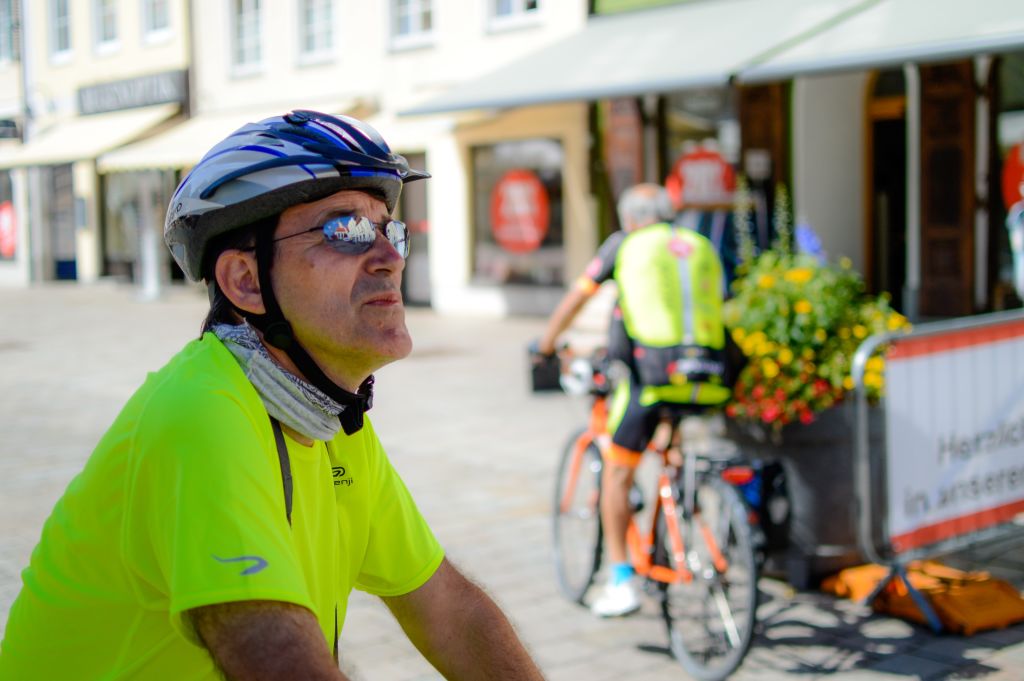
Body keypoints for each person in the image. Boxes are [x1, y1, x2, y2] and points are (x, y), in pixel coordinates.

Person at [0, 110, 545, 681]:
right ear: (246, 282)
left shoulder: (330, 421)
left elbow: (450, 613)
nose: (390, 257)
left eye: (390, 229)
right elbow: (274, 659)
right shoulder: (202, 414)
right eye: (346, 229)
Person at [536, 183, 731, 617]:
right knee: (672, 453)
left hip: (650, 378)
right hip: (708, 375)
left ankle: (621, 577)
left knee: (618, 475)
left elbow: (580, 295)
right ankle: (681, 513)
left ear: (629, 218)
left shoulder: (625, 243)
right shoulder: (698, 245)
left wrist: (545, 344)